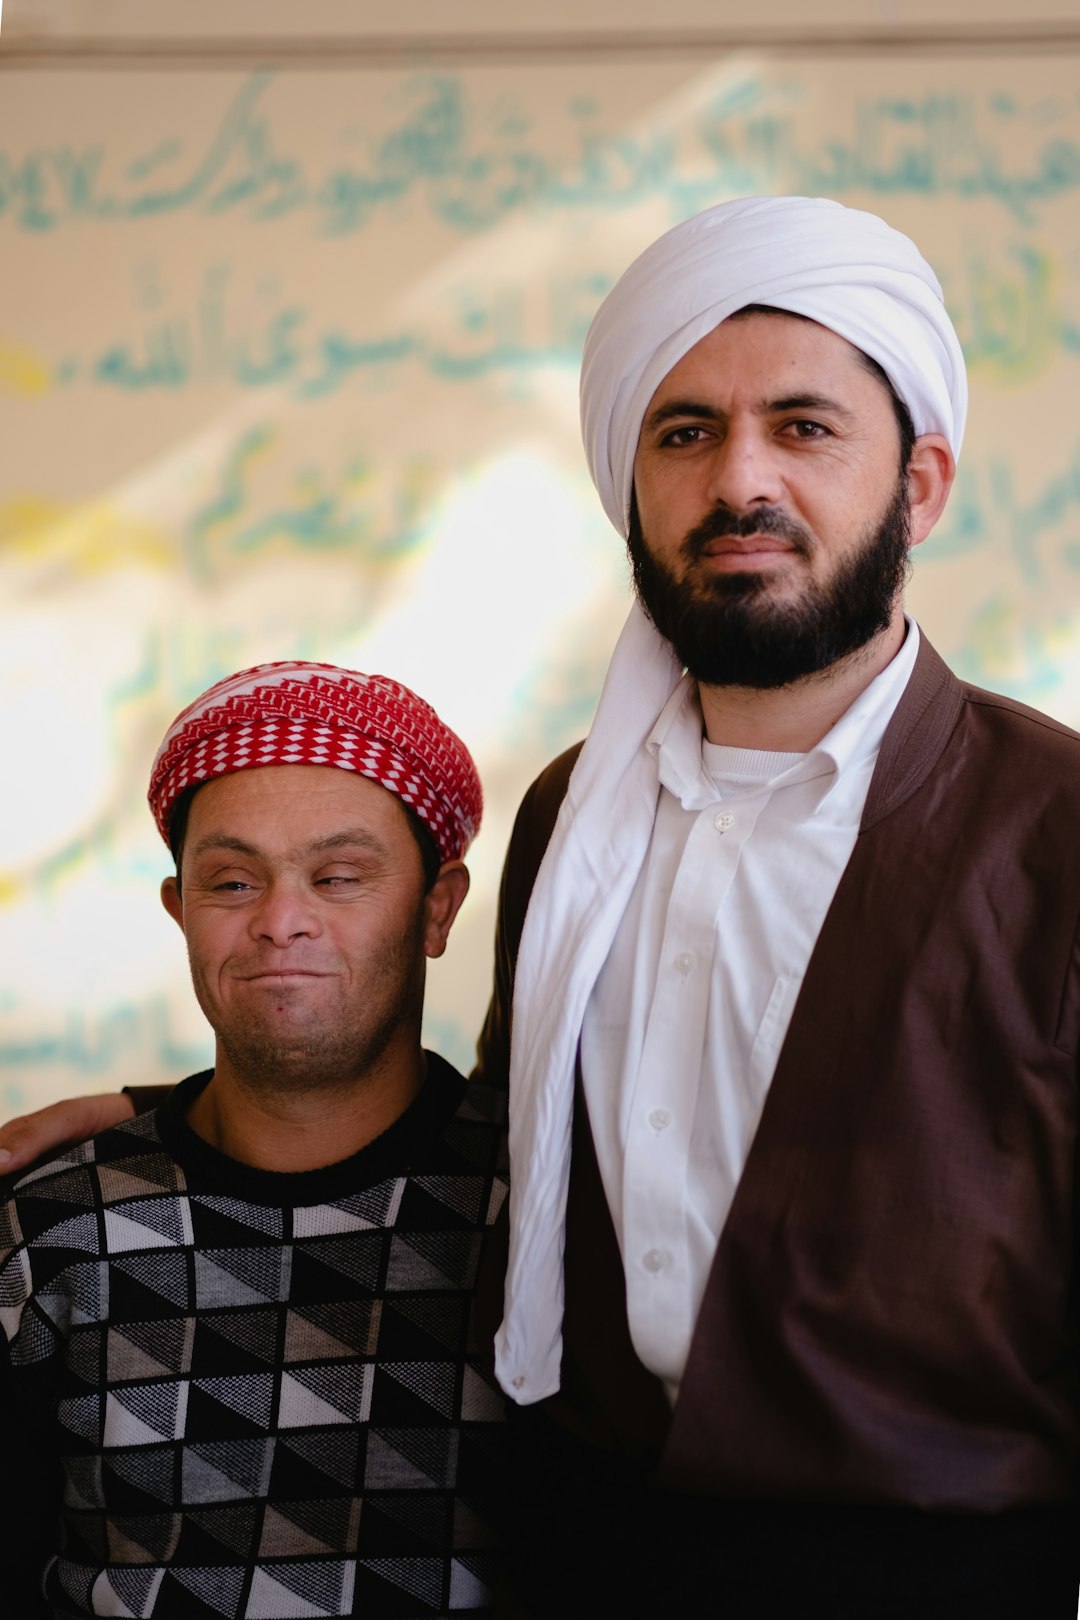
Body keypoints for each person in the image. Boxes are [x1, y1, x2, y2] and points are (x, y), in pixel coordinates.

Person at [5, 196, 1080, 1616]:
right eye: (683, 432)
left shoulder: (1052, 826)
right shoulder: (578, 810)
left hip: (938, 1575)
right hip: (590, 1556)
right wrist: (171, 1126)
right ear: (630, 485)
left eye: (805, 428)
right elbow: (511, 1127)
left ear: (922, 484)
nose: (738, 480)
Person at [0, 661, 509, 1619]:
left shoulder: (538, 1212)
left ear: (437, 909)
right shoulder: (50, 1232)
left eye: (340, 877)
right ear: (179, 909)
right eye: (232, 881)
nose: (281, 922)